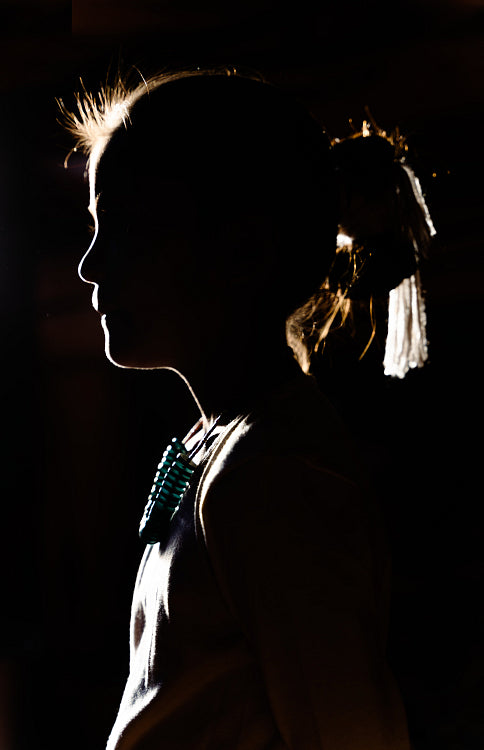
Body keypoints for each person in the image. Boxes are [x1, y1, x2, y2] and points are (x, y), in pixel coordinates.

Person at [63, 66, 434, 749]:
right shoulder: (217, 446)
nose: (88, 266)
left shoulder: (278, 476)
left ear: (241, 251)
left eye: (121, 227)